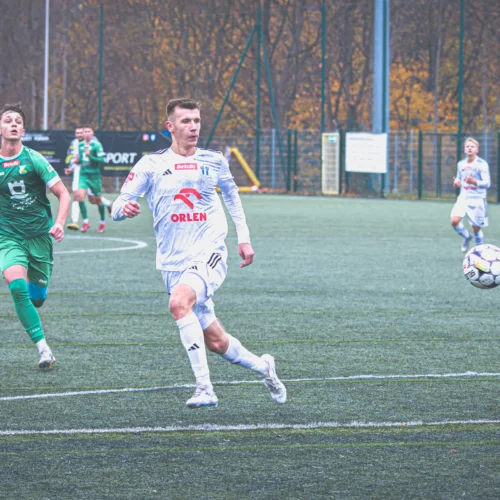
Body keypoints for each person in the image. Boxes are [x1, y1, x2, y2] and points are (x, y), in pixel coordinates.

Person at [112, 98, 286, 408]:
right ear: (170, 126)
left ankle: (205, 388)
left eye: (197, 121)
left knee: (178, 303)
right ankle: (265, 368)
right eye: (186, 121)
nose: (193, 127)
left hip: (209, 251)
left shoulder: (213, 160)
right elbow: (117, 206)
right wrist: (124, 210)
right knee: (217, 342)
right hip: (172, 261)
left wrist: (244, 238)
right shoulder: (150, 164)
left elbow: (232, 196)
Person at [0, 103, 71, 368]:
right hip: (8, 236)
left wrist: (60, 223)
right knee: (17, 287)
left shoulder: (34, 159)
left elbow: (63, 194)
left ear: (23, 131)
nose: (13, 124)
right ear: (0, 128)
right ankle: (44, 350)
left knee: (37, 298)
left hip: (39, 236)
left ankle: (35, 289)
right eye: (8, 120)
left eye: (18, 121)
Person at [451, 137, 491, 252]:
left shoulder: (482, 164)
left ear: (477, 150)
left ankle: (479, 252)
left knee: (476, 228)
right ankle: (467, 236)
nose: (469, 148)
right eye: (467, 146)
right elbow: (459, 179)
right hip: (463, 197)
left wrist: (474, 182)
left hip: (478, 199)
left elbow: (487, 183)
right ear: (464, 149)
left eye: (472, 146)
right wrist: (457, 183)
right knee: (454, 221)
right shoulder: (461, 164)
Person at [65, 126, 84, 230]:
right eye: (77, 133)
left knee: (94, 198)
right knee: (76, 195)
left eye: (81, 133)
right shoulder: (74, 143)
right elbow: (74, 158)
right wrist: (71, 169)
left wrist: (82, 161)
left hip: (88, 174)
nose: (79, 135)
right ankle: (74, 221)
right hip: (77, 172)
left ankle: (108, 205)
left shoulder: (90, 144)